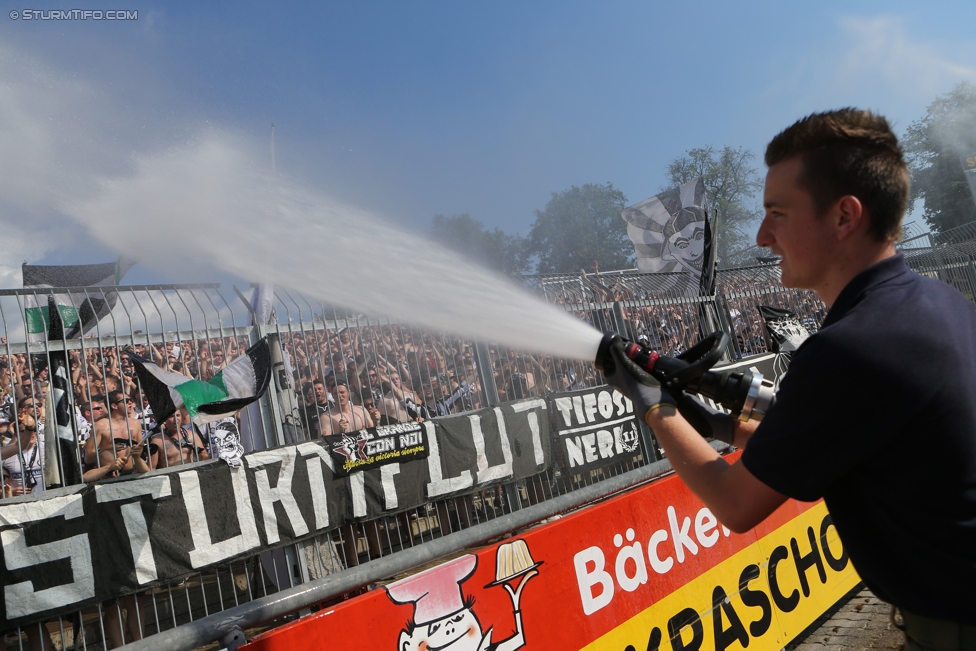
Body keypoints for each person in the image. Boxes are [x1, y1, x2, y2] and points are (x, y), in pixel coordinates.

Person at [605, 108, 976, 650]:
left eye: (777, 213)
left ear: (845, 217)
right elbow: (831, 439)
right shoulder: (938, 300)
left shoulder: (851, 348)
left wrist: (653, 401)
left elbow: (736, 503)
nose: (760, 236)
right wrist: (715, 424)